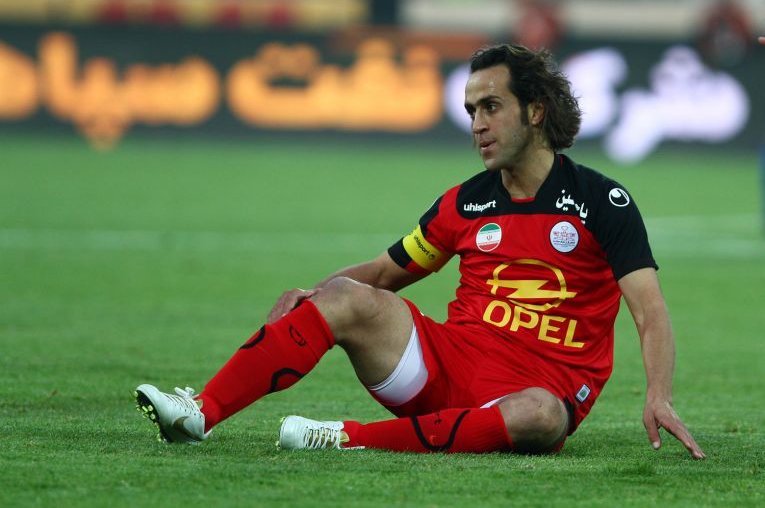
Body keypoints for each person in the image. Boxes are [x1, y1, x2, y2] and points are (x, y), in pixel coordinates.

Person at [135, 44, 705, 459]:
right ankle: (200, 412)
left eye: (491, 107)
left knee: (540, 416)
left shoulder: (601, 202)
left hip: (540, 390)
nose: (477, 125)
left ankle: (341, 437)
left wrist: (659, 395)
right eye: (471, 111)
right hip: (444, 368)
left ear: (535, 111)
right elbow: (385, 273)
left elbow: (649, 311)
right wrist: (314, 295)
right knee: (347, 295)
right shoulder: (464, 203)